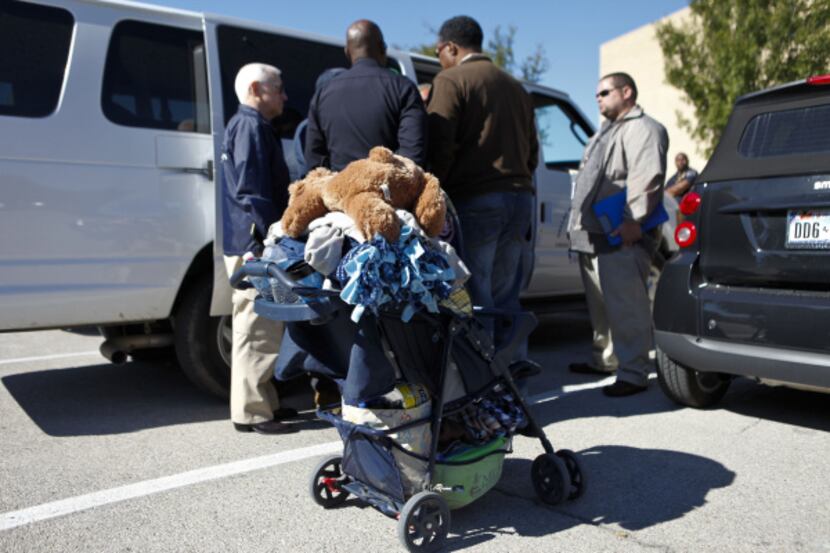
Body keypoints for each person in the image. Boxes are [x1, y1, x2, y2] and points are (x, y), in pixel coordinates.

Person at [426, 16, 539, 367]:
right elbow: (533, 152)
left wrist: (431, 191)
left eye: (439, 51)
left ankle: (483, 378)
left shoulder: (451, 80)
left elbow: (440, 144)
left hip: (477, 198)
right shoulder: (517, 87)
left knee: (475, 292)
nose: (438, 57)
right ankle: (512, 370)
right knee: (507, 293)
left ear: (452, 48)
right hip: (520, 198)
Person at [567, 72, 668, 397]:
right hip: (596, 233)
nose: (598, 98)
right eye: (596, 93)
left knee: (627, 305)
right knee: (602, 306)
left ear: (627, 92)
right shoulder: (606, 131)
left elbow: (647, 178)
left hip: (623, 232)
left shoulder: (644, 128)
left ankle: (634, 372)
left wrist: (633, 219)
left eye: (605, 92)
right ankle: (606, 360)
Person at [220, 63, 298, 434]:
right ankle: (251, 413)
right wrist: (273, 234)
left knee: (260, 325)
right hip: (252, 242)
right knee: (256, 325)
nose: (284, 96)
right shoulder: (250, 126)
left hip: (244, 238)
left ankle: (263, 403)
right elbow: (250, 192)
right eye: (278, 89)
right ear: (256, 89)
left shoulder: (248, 125)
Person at [304, 20, 427, 171]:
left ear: (347, 52)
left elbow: (314, 159)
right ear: (383, 48)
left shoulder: (323, 93)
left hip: (338, 191)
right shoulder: (403, 88)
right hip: (387, 191)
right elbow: (412, 155)